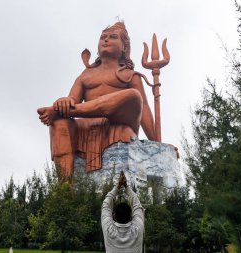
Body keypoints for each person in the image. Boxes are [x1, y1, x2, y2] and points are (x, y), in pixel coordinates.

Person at [37, 22, 156, 179]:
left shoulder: (130, 75)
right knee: (59, 123)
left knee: (133, 95)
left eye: (112, 37)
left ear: (124, 48)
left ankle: (59, 112)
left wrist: (156, 142)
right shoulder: (86, 75)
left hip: (119, 119)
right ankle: (65, 191)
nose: (105, 40)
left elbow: (144, 108)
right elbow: (73, 99)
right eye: (103, 38)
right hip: (89, 123)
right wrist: (64, 102)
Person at [101, 171, 144, 253]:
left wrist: (118, 186)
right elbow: (137, 205)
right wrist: (126, 186)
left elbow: (106, 205)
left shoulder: (108, 230)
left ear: (114, 216)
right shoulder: (137, 229)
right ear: (131, 216)